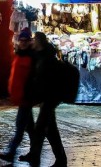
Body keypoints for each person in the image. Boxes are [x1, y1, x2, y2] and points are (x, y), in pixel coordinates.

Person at [24, 32, 67, 167]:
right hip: (46, 98)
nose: (32, 41)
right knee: (50, 130)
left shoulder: (48, 58)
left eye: (34, 39)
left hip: (50, 98)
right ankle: (59, 159)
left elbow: (45, 79)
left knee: (40, 129)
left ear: (39, 41)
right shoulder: (41, 55)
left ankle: (39, 156)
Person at [0, 28, 35, 163]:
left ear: (30, 41)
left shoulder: (31, 56)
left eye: (26, 40)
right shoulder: (20, 54)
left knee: (20, 127)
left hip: (26, 97)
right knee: (30, 128)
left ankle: (11, 153)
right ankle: (34, 152)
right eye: (21, 40)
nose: (23, 43)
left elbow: (30, 78)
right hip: (21, 97)